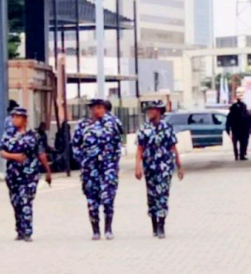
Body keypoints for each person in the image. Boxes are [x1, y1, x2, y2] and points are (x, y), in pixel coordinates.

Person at [72, 98, 122, 240]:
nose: (97, 110)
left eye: (100, 107)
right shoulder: (82, 125)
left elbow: (118, 144)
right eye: (94, 108)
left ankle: (108, 229)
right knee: (92, 200)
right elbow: (75, 145)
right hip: (90, 168)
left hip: (108, 168)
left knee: (108, 198)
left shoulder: (112, 124)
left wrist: (114, 162)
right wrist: (83, 160)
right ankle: (95, 230)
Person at [0, 107, 52, 242]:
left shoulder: (34, 136)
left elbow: (41, 153)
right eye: (13, 117)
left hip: (29, 174)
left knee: (26, 200)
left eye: (17, 117)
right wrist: (14, 156)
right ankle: (20, 230)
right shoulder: (8, 135)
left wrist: (47, 171)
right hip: (13, 174)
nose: (15, 119)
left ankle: (28, 231)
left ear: (25, 120)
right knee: (16, 202)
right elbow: (2, 152)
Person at [134, 101, 184, 239]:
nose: (150, 112)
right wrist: (137, 166)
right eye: (148, 110)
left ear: (159, 111)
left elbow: (173, 148)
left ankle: (161, 225)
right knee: (151, 196)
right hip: (150, 168)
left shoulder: (167, 128)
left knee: (162, 195)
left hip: (165, 167)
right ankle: (154, 224)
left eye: (152, 110)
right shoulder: (144, 128)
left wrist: (179, 166)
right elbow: (139, 149)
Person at [226, 88, 251, 161]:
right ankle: (242, 155)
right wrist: (250, 129)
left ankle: (237, 155)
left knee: (236, 143)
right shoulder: (245, 113)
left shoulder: (232, 114)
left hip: (236, 130)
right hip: (242, 130)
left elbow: (228, 122)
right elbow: (250, 121)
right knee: (243, 143)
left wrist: (228, 130)